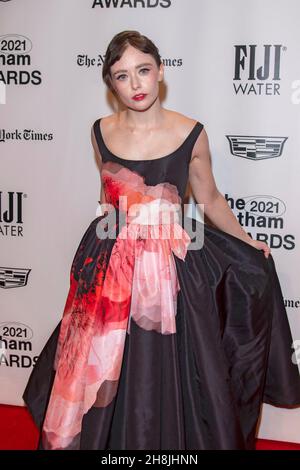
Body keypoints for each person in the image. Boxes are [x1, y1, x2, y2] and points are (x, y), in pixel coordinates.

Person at [23, 30, 300, 451]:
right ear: (110, 83)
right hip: (110, 262)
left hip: (169, 267)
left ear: (160, 72)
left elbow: (208, 198)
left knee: (167, 366)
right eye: (122, 75)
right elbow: (106, 198)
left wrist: (247, 241)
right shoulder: (99, 131)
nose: (135, 84)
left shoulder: (192, 133)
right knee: (102, 363)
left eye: (143, 71)